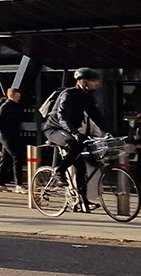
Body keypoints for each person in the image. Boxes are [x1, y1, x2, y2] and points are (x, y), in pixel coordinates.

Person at [44, 69, 106, 208]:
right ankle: (59, 171)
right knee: (75, 145)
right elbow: (62, 117)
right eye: (93, 81)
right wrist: (74, 132)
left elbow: (96, 117)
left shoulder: (88, 97)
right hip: (55, 129)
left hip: (71, 131)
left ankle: (82, 201)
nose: (96, 84)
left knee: (81, 168)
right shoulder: (68, 94)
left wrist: (110, 132)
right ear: (83, 82)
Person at [0, 87, 26, 192]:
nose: (18, 99)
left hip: (10, 135)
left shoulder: (13, 106)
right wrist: (6, 135)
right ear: (11, 96)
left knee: (6, 159)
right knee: (17, 157)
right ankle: (18, 184)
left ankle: (0, 184)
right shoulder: (5, 107)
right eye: (17, 97)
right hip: (7, 136)